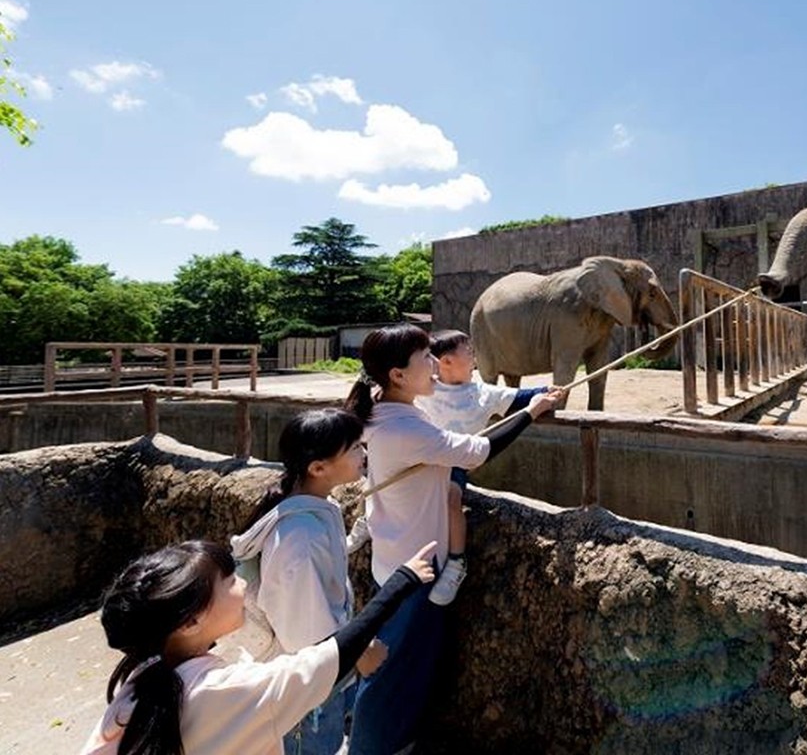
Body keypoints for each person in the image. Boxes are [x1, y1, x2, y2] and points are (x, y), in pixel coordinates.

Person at [343, 323, 562, 755]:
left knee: (398, 659)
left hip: (393, 555)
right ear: (398, 376)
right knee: (394, 666)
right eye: (424, 359)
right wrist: (530, 414)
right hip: (417, 564)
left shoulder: (381, 409)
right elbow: (477, 452)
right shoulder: (408, 428)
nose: (434, 366)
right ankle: (371, 745)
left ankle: (389, 737)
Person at [81, 538, 436, 755]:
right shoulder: (230, 692)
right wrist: (402, 581)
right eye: (231, 581)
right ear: (190, 622)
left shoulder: (143, 679)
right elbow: (331, 658)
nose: (243, 587)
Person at [227, 408, 382, 754]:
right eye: (355, 448)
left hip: (318, 676)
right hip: (306, 688)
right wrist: (358, 652)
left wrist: (354, 538)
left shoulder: (310, 509)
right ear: (318, 467)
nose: (364, 454)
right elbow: (305, 634)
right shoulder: (300, 536)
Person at [413, 328, 553, 605]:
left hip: (456, 462)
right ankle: (367, 521)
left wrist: (546, 393)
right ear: (446, 361)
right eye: (469, 352)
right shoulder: (425, 387)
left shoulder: (482, 393)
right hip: (420, 459)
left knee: (451, 497)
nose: (475, 356)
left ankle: (456, 562)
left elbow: (521, 397)